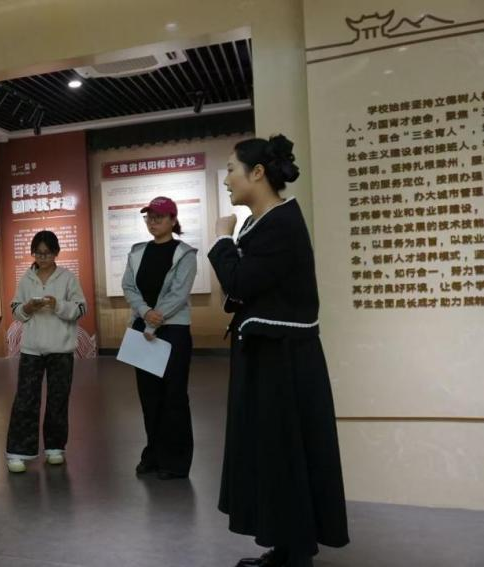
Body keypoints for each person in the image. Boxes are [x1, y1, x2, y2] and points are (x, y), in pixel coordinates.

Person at [210, 135, 348, 567]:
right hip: (268, 355)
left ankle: (295, 552)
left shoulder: (281, 223)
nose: (227, 180)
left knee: (284, 451)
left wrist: (221, 241)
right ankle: (285, 545)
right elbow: (245, 290)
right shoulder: (263, 223)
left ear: (257, 173)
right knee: (272, 452)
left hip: (284, 360)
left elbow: (240, 282)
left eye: (231, 170)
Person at [121, 196, 197, 480]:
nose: (153, 222)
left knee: (173, 396)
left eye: (159, 217)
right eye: (149, 217)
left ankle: (175, 461)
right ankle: (153, 454)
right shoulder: (137, 251)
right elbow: (128, 286)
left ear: (173, 220)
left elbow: (179, 293)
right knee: (149, 396)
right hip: (143, 327)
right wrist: (145, 312)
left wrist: (155, 317)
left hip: (173, 329)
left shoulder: (185, 254)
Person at [5, 230, 86, 473]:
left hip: (61, 349)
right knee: (25, 399)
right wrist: (28, 307)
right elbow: (16, 311)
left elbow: (80, 309)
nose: (42, 258)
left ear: (56, 253)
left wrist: (57, 305)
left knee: (58, 399)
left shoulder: (67, 278)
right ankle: (18, 451)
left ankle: (55, 447)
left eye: (47, 253)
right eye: (38, 253)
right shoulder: (26, 279)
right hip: (31, 349)